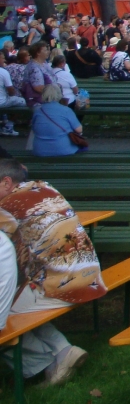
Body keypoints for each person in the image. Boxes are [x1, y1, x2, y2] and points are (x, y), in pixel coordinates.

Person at [0, 158, 97, 386]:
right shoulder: (45, 189)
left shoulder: (8, 206)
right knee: (17, 300)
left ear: (6, 183)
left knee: (4, 313)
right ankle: (64, 351)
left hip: (62, 284)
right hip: (88, 276)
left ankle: (45, 366)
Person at [30, 84, 83, 157]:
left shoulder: (38, 111)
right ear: (60, 94)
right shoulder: (66, 110)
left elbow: (34, 129)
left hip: (40, 150)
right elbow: (79, 130)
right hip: (63, 149)